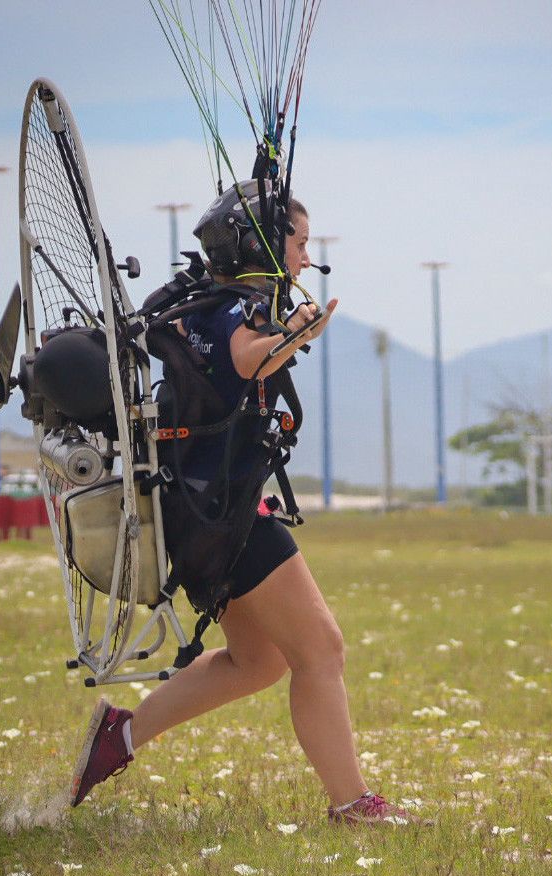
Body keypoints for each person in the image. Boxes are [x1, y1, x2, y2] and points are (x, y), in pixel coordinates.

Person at [69, 183, 411, 824]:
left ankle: (120, 736)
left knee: (259, 661)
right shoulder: (244, 310)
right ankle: (354, 805)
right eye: (299, 242)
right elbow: (248, 360)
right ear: (263, 245)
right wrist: (294, 333)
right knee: (322, 650)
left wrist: (283, 332)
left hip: (196, 510)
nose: (306, 257)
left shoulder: (202, 303)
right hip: (226, 515)